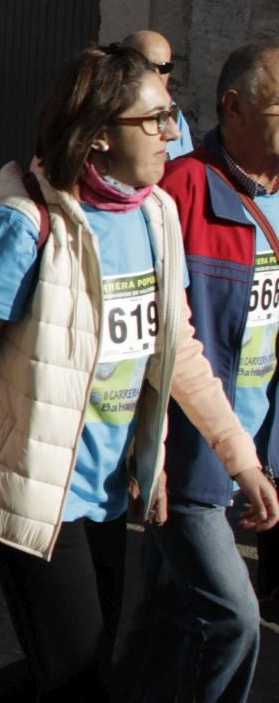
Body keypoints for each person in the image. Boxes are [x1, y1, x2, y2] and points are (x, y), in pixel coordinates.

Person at [0, 44, 279, 701]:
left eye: (170, 116)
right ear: (100, 133)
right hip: (26, 487)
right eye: (153, 120)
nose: (171, 133)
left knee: (74, 670)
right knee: (82, 681)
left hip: (100, 489)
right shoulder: (25, 222)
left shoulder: (155, 213)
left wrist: (239, 459)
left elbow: (178, 350)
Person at [118, 39, 279, 701]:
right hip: (190, 458)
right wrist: (143, 449)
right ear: (234, 108)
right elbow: (147, 338)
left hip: (255, 445)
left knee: (164, 624)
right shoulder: (178, 190)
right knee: (233, 623)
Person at [124, 28, 196, 157]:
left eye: (164, 67)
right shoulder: (109, 108)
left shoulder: (175, 114)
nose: (156, 73)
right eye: (147, 66)